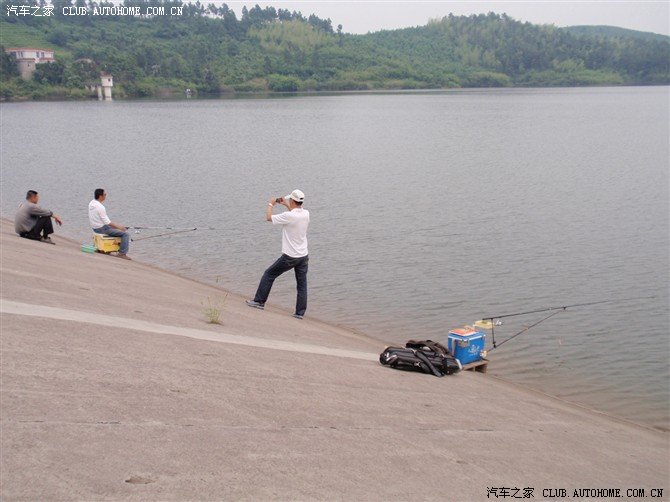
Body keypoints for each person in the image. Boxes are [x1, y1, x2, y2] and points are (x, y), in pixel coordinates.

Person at [246, 189, 310, 319]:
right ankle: (299, 313)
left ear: (293, 200)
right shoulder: (306, 214)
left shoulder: (289, 216)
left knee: (269, 274)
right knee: (302, 285)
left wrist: (271, 204)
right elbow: (294, 213)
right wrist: (286, 204)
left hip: (290, 256)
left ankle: (259, 301)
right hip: (303, 256)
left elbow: (269, 218)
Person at [88, 188, 131, 260]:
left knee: (115, 228)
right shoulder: (100, 207)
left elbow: (105, 222)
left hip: (95, 228)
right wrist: (120, 227)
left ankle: (108, 248)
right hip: (101, 229)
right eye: (105, 194)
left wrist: (116, 227)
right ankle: (122, 253)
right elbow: (107, 222)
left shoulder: (91, 203)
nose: (106, 196)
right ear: (100, 196)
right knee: (125, 234)